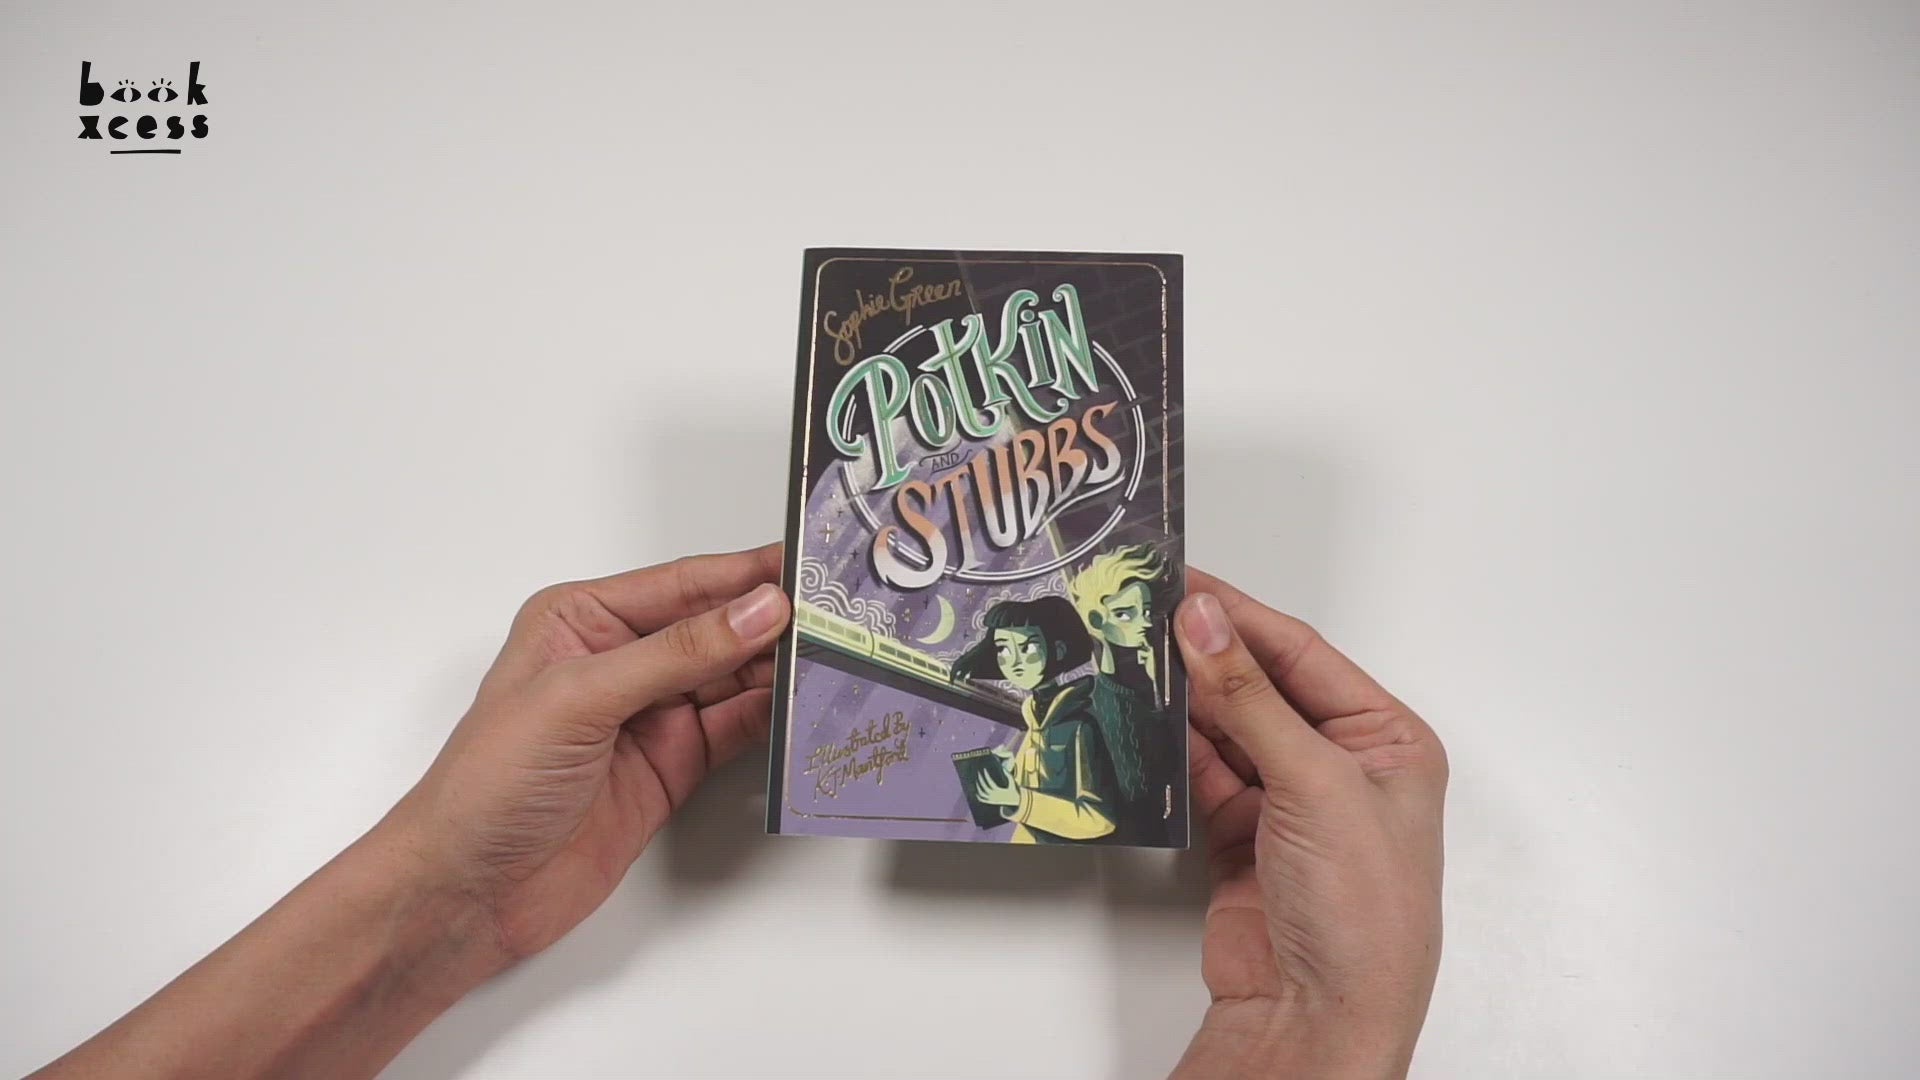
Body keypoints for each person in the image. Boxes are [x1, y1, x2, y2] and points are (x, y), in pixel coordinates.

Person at [28, 543, 1448, 1080]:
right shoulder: (1034, 715)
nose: (1019, 663)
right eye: (1008, 650)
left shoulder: (1090, 712)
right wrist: (1315, 1033)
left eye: (1036, 648)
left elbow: (1066, 788)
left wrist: (445, 905)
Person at [952, 596, 1120, 844]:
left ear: (1059, 650)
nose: (1014, 662)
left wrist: (1019, 800)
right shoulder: (1034, 718)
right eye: (1003, 650)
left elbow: (1101, 819)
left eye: (1028, 648)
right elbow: (1035, 793)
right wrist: (1007, 776)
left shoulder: (1080, 723)